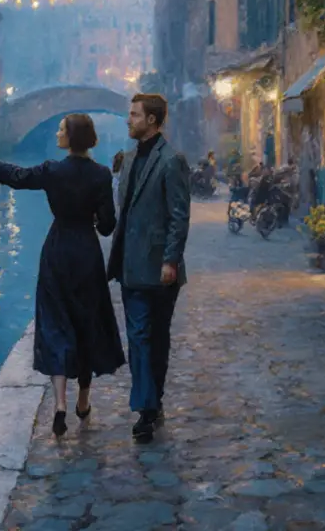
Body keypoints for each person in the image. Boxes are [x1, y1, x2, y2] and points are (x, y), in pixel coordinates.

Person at [0, 113, 126, 437]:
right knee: (86, 323)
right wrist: (92, 216)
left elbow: (17, 176)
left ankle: (60, 404)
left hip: (57, 252)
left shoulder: (52, 170)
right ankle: (83, 401)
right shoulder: (102, 175)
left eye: (61, 129)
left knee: (56, 324)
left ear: (71, 136)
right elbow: (107, 226)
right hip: (87, 254)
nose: (56, 133)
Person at [106, 93, 191, 443]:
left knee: (158, 338)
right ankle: (145, 409)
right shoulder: (126, 160)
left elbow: (179, 216)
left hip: (159, 267)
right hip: (130, 265)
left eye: (134, 115)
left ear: (152, 121)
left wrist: (170, 260)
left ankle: (153, 401)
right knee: (139, 337)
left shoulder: (172, 161)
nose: (128, 120)